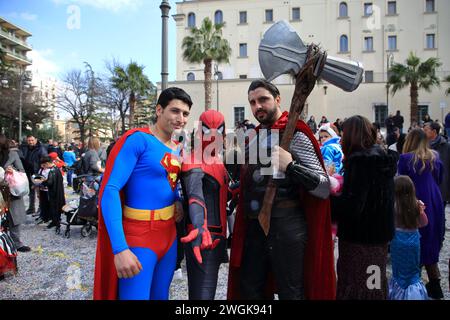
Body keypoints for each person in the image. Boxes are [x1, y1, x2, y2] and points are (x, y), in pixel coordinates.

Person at [228, 79, 336, 300]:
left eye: (263, 99)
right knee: (250, 290)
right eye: (252, 102)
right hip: (254, 226)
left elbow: (324, 187)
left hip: (287, 225)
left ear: (277, 99)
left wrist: (292, 166)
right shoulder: (255, 136)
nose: (258, 106)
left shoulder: (297, 133)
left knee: (291, 292)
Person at [93, 87, 196, 300]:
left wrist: (177, 200)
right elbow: (110, 190)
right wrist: (120, 249)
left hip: (168, 235)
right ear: (159, 110)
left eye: (185, 114)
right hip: (139, 237)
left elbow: (170, 182)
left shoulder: (177, 148)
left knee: (161, 296)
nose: (181, 118)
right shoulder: (138, 140)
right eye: (174, 111)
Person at [331, 115, 397, 300]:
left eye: (343, 134)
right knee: (373, 285)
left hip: (359, 242)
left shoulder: (360, 163)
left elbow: (351, 207)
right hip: (378, 241)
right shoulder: (382, 159)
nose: (341, 139)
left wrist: (329, 200)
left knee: (358, 287)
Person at [180, 110, 229, 300]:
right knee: (202, 296)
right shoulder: (194, 162)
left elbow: (222, 193)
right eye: (209, 131)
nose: (215, 136)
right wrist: (200, 228)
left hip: (215, 237)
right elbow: (195, 198)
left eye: (220, 130)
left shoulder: (217, 161)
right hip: (203, 238)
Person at [398, 129, 444, 299]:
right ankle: (435, 285)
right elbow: (439, 179)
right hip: (434, 201)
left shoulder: (405, 159)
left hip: (414, 201)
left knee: (415, 240)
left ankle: (412, 287)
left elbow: (400, 183)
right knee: (431, 239)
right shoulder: (435, 158)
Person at [389, 175, 429, 300]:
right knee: (413, 271)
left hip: (398, 242)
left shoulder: (393, 206)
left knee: (398, 271)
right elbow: (424, 223)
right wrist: (421, 211)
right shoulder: (416, 205)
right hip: (413, 241)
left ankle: (397, 295)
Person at [0, 134, 30, 252]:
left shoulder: (13, 154)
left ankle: (16, 242)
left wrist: (12, 171)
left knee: (15, 218)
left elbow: (21, 170)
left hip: (11, 190)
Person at [423, 121, 450, 208]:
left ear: (434, 132)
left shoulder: (446, 146)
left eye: (426, 130)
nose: (423, 132)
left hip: (442, 186)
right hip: (427, 186)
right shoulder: (422, 146)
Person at [34, 156, 65, 229]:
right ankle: (50, 219)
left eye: (44, 165)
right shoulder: (56, 169)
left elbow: (50, 182)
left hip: (53, 192)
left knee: (54, 206)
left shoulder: (53, 171)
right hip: (55, 191)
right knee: (50, 206)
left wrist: (42, 181)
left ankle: (55, 222)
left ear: (47, 163)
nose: (43, 166)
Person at [19, 135, 48, 215]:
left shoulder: (41, 149)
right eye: (29, 140)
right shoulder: (25, 148)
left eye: (32, 140)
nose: (30, 142)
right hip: (28, 172)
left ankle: (41, 208)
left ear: (36, 139)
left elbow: (45, 160)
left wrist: (42, 171)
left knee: (39, 191)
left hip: (37, 172)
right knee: (31, 191)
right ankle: (31, 208)